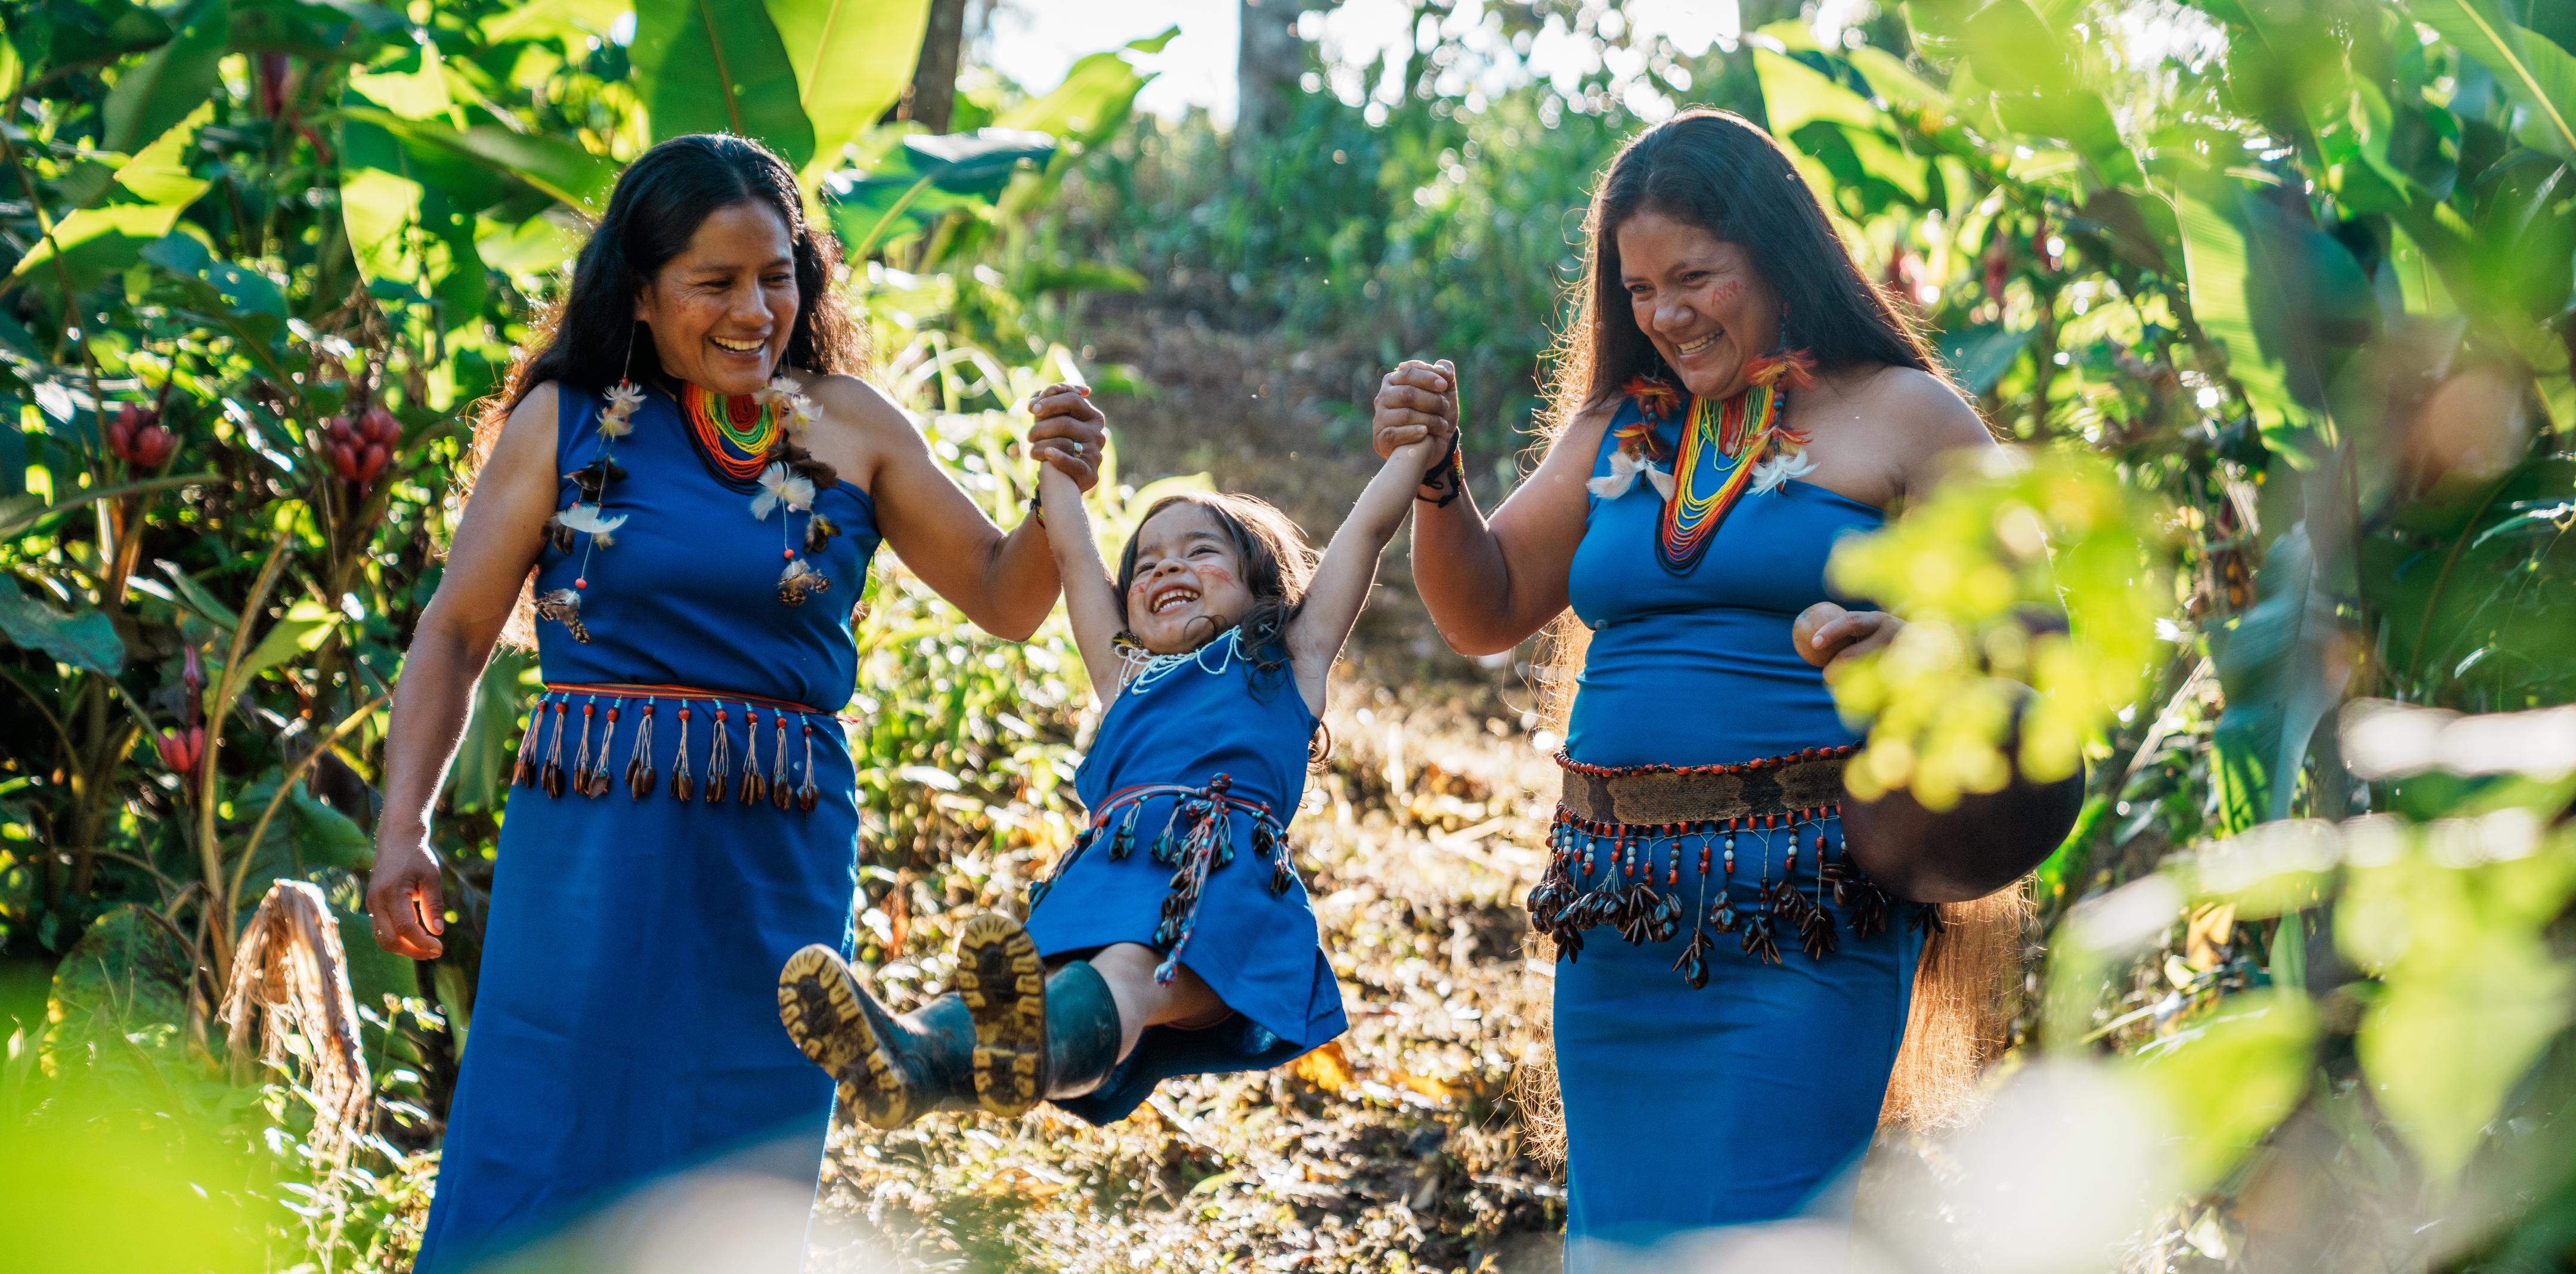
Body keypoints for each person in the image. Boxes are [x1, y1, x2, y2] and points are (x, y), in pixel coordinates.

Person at [363, 134, 1105, 1272]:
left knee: (735, 1167)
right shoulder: (562, 423)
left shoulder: (853, 424)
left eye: (778, 274)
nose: (754, 309)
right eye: (714, 282)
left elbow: (1006, 597)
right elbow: (457, 631)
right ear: (643, 293)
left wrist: (1059, 490)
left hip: (775, 855)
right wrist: (401, 827)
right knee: (548, 1135)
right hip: (591, 852)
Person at [1371, 109, 2004, 1262]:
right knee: (1616, 1246)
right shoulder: (1620, 427)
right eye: (1640, 288)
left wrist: (1915, 644)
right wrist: (1437, 480)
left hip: (1809, 910)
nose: (1666, 314)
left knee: (1760, 1241)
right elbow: (1487, 602)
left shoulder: (1906, 415)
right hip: (1618, 916)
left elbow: (2036, 637)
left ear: (1777, 254)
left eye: (1695, 277)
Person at [777, 389, 1438, 1128]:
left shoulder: (1288, 659)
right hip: (1106, 877)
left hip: (1214, 885)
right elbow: (1071, 549)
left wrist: (1416, 448)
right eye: (1147, 563)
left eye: (1200, 552)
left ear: (1262, 590)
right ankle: (912, 1061)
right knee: (1024, 987)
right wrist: (1059, 463)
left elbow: (1368, 530)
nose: (1165, 569)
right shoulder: (1125, 674)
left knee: (1127, 969)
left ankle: (1035, 1055)